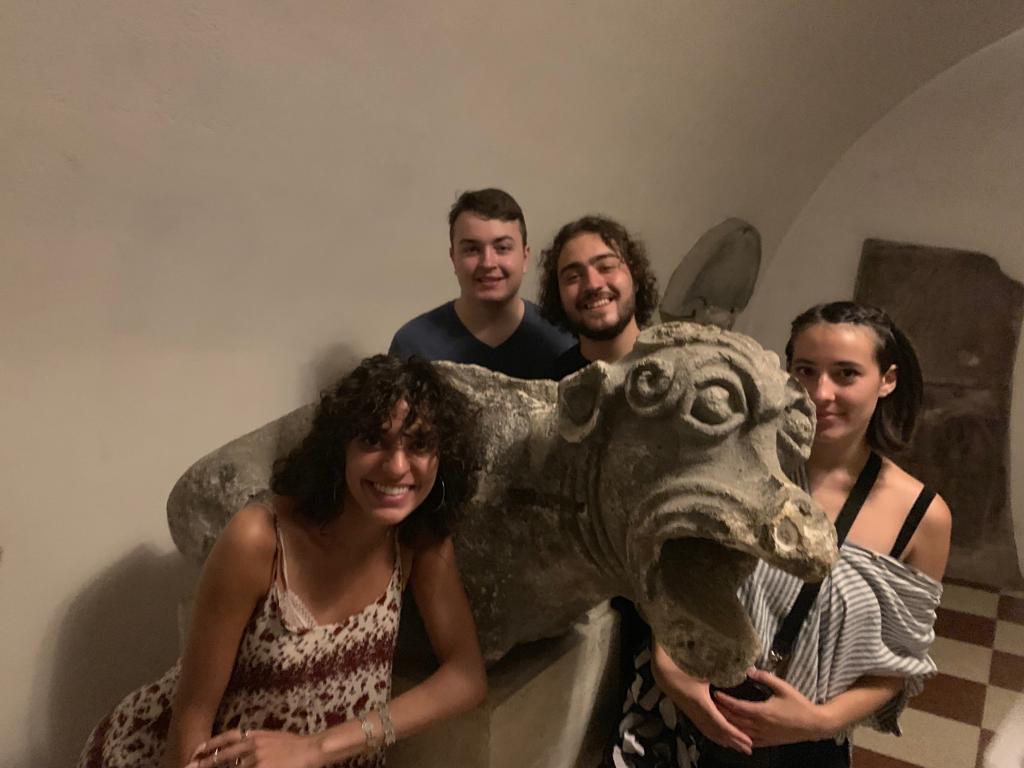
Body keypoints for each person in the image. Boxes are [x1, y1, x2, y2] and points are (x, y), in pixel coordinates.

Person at [79, 355, 488, 768]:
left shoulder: (418, 540)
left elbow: (466, 675)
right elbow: (192, 715)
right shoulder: (260, 540)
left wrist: (320, 746)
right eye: (372, 440)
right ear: (340, 448)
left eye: (419, 444)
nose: (397, 466)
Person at [610, 301, 953, 767]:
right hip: (679, 721)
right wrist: (672, 669)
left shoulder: (922, 516)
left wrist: (821, 721)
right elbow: (675, 576)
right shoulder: (736, 465)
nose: (821, 393)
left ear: (887, 380)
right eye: (806, 371)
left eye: (846, 374)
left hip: (804, 747)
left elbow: (897, 663)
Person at [388, 188, 573, 379]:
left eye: (502, 248)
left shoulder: (562, 342)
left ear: (525, 257)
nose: (488, 263)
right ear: (453, 258)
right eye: (472, 249)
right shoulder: (413, 347)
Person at [536, 214, 659, 378]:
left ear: (635, 277)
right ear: (558, 297)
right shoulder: (550, 385)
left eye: (606, 267)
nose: (592, 284)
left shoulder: (678, 362)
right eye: (573, 277)